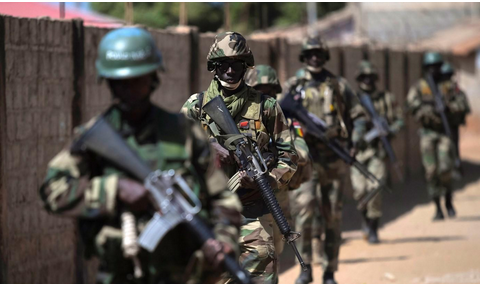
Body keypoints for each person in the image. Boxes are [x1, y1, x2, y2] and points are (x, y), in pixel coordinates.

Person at [39, 27, 242, 284]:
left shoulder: (184, 133)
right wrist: (114, 190)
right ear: (109, 83)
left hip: (183, 273)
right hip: (120, 272)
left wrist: (223, 241)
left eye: (137, 80)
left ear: (153, 79)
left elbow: (222, 198)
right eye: (119, 83)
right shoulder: (94, 137)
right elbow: (52, 189)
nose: (128, 89)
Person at [181, 32, 298, 284]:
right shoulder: (195, 107)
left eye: (237, 64)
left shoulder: (266, 106)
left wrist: (267, 179)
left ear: (246, 66)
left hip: (254, 211)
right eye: (224, 64)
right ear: (214, 66)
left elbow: (289, 157)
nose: (231, 70)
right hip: (210, 216)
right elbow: (173, 156)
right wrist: (208, 149)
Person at [283, 36, 366, 284]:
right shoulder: (294, 85)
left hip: (334, 158)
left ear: (325, 55)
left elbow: (358, 116)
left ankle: (330, 270)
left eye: (319, 53)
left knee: (333, 216)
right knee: (304, 212)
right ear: (304, 57)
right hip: (305, 160)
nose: (315, 57)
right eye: (310, 54)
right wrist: (298, 132)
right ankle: (305, 268)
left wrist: (356, 142)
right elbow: (278, 117)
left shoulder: (339, 85)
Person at [245, 64, 313, 258]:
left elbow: (303, 152)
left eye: (270, 93)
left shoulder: (288, 124)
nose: (265, 98)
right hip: (245, 198)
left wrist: (277, 153)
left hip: (276, 198)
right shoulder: (239, 122)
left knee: (273, 253)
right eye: (259, 93)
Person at [407, 52, 468, 220]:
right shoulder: (420, 87)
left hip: (444, 133)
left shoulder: (448, 86)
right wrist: (429, 109)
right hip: (427, 133)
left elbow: (462, 104)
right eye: (431, 67)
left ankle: (448, 200)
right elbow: (411, 105)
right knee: (431, 171)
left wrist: (448, 107)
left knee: (445, 169)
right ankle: (437, 207)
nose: (434, 70)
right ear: (426, 68)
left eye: (437, 67)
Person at [350, 60, 404, 244]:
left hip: (377, 152)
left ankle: (373, 228)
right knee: (360, 192)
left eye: (370, 77)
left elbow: (400, 120)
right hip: (357, 153)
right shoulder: (352, 100)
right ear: (359, 79)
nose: (367, 80)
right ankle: (366, 220)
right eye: (364, 77)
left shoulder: (386, 98)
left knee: (375, 188)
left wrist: (389, 130)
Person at [439, 62, 471, 179]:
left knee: (453, 147)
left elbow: (464, 106)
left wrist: (450, 107)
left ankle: (455, 168)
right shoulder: (437, 89)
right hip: (440, 124)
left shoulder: (455, 90)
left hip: (452, 124)